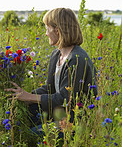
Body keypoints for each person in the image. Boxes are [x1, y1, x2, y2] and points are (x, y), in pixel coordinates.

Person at [5, 8, 98, 136]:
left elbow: (66, 99)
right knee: (23, 116)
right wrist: (24, 96)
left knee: (32, 134)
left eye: (47, 28)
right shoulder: (56, 54)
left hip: (74, 118)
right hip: (59, 111)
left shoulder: (77, 59)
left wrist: (30, 97)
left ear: (58, 31)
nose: (46, 33)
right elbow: (49, 88)